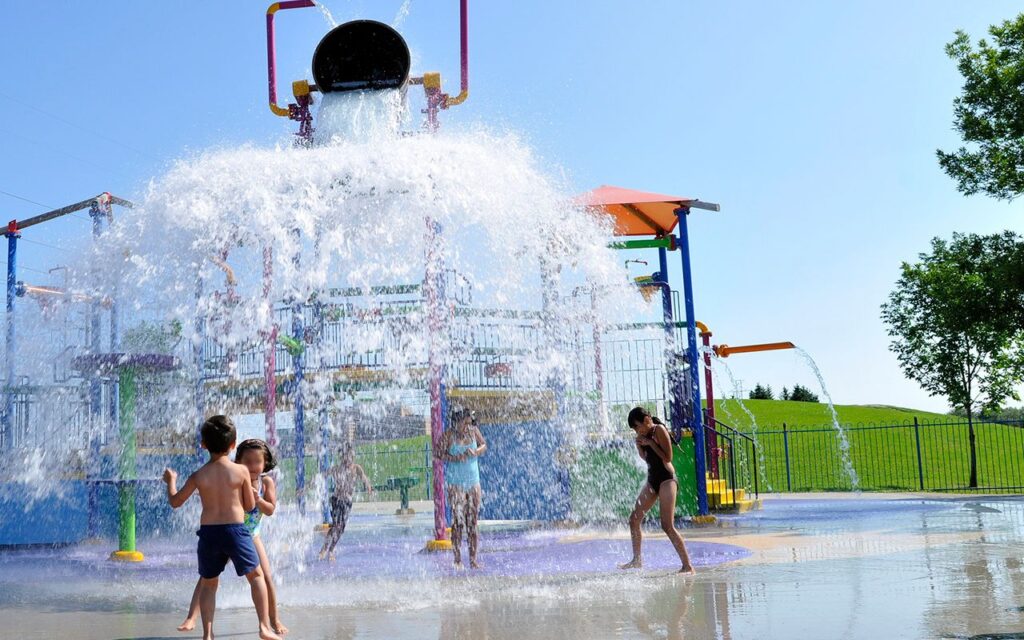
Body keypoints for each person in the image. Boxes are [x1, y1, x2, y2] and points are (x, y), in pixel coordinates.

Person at [163, 416, 281, 640]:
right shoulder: (240, 472)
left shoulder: (198, 475)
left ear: (203, 444)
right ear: (233, 445)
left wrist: (171, 481)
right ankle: (264, 627)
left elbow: (176, 502)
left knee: (209, 583)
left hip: (209, 534)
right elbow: (248, 506)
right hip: (236, 531)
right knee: (256, 577)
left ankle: (208, 634)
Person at [619, 407, 695, 574]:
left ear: (647, 419)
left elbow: (668, 457)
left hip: (667, 479)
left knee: (667, 525)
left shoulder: (659, 430)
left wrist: (651, 443)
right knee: (634, 519)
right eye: (634, 429)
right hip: (652, 480)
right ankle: (637, 560)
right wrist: (640, 446)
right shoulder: (643, 435)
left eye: (638, 426)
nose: (637, 430)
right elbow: (647, 459)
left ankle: (687, 565)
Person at [436, 408, 487, 569]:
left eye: (468, 423)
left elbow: (484, 445)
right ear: (456, 423)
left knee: (472, 522)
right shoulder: (448, 436)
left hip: (473, 481)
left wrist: (476, 451)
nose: (467, 427)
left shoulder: (473, 431)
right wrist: (455, 457)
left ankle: (473, 559)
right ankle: (457, 559)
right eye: (464, 423)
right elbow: (438, 454)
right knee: (458, 522)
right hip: (456, 483)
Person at [318, 442, 373, 562]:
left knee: (341, 528)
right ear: (342, 456)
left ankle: (331, 549)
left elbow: (364, 477)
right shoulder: (337, 469)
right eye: (345, 456)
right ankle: (325, 549)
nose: (348, 459)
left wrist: (368, 486)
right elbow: (322, 476)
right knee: (336, 525)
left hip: (347, 502)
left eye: (350, 456)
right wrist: (306, 487)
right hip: (336, 500)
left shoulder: (356, 468)